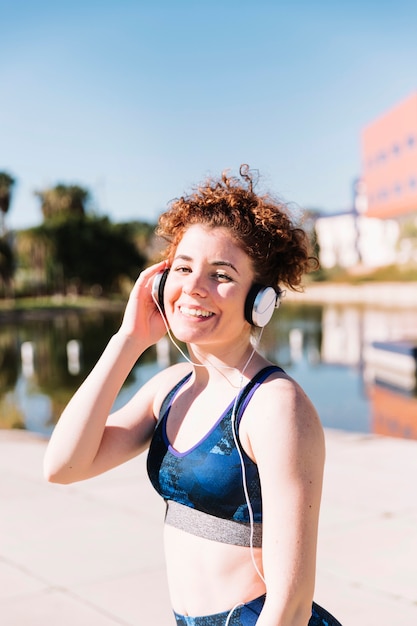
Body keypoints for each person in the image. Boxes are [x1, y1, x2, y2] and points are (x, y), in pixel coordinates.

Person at [44, 165, 342, 626]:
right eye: (182, 268)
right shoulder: (169, 388)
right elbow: (63, 466)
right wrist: (127, 340)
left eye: (221, 274)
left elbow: (292, 603)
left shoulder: (275, 406)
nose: (194, 287)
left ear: (259, 300)